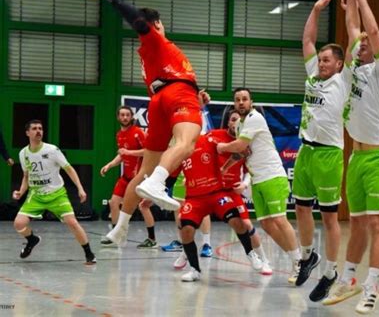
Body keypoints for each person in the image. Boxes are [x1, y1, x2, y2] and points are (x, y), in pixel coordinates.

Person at [86, 0, 209, 246]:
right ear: (158, 24)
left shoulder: (154, 54)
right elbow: (140, 22)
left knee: (142, 172)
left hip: (160, 101)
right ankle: (158, 183)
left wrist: (197, 94)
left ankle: (120, 228)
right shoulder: (156, 38)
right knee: (186, 143)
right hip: (177, 95)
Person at [323, 0, 379, 314]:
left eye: (369, 44)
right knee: (355, 222)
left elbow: (368, 31)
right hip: (356, 156)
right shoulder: (356, 66)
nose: (362, 45)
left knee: (376, 224)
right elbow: (354, 29)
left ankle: (373, 286)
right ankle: (349, 279)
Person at [293, 0, 351, 296]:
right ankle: (307, 256)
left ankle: (330, 272)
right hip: (306, 150)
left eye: (327, 59)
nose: (322, 62)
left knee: (329, 217)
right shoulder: (313, 75)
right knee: (301, 209)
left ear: (340, 64)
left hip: (329, 155)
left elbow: (353, 42)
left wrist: (352, 4)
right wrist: (316, 10)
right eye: (321, 59)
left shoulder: (342, 80)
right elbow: (307, 41)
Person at [217, 88, 301, 284]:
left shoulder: (255, 118)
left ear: (251, 102)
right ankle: (294, 259)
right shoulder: (240, 125)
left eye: (244, 99)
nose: (241, 103)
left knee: (280, 220)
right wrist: (225, 167)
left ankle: (300, 261)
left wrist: (222, 148)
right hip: (257, 179)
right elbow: (242, 153)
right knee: (266, 224)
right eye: (237, 100)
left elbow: (237, 146)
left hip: (272, 176)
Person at [174, 110, 272, 275]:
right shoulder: (214, 136)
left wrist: (245, 183)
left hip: (231, 191)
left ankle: (261, 258)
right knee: (186, 224)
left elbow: (249, 169)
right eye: (233, 119)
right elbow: (200, 153)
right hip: (211, 189)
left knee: (245, 224)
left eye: (239, 121)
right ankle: (187, 257)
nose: (236, 123)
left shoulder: (246, 142)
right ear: (228, 122)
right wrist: (192, 176)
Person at [12, 120, 96, 264]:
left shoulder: (52, 150)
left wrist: (80, 188)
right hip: (36, 195)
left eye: (40, 128)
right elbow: (26, 176)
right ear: (27, 133)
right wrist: (21, 191)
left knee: (72, 223)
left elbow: (69, 169)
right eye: (34, 128)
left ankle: (89, 253)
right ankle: (32, 240)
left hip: (57, 194)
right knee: (19, 223)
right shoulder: (23, 153)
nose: (38, 131)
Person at [99, 106, 157, 248]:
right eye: (122, 115)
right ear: (118, 117)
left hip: (139, 177)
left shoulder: (138, 133)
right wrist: (110, 165)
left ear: (132, 117)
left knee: (143, 207)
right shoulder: (119, 134)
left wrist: (129, 153)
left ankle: (152, 239)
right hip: (126, 177)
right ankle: (116, 235)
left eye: (127, 115)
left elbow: (148, 152)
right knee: (114, 203)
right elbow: (121, 154)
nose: (125, 117)